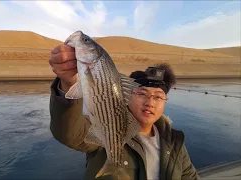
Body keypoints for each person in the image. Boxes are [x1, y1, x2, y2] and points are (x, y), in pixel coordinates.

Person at [48, 44, 200, 180]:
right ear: (127, 96)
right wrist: (67, 84)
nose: (150, 103)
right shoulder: (107, 125)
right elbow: (70, 133)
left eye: (158, 97)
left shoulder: (174, 141)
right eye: (142, 93)